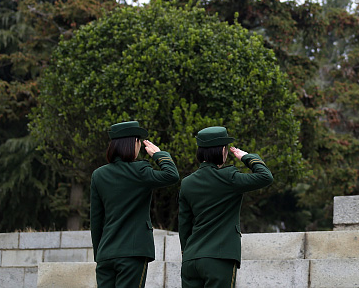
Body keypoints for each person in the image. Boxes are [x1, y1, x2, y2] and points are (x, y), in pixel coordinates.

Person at [178, 126, 273, 287]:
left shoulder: (187, 183)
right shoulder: (229, 178)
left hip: (191, 259)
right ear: (223, 150)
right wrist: (247, 157)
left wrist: (186, 253)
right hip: (219, 258)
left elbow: (184, 224)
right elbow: (265, 177)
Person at [90, 121, 179, 288]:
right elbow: (172, 175)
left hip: (106, 254)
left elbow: (96, 219)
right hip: (133, 253)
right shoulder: (140, 170)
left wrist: (99, 255)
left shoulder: (98, 175)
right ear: (134, 143)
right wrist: (159, 155)